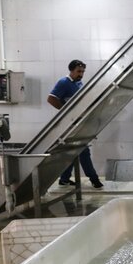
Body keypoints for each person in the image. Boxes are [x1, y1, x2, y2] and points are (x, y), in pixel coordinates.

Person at [47, 59, 104, 189]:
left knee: (72, 151)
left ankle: (64, 179)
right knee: (83, 151)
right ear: (71, 71)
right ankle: (94, 179)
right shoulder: (64, 82)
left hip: (78, 123)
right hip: (70, 125)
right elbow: (51, 98)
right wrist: (66, 112)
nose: (81, 74)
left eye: (83, 71)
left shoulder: (78, 83)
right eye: (78, 71)